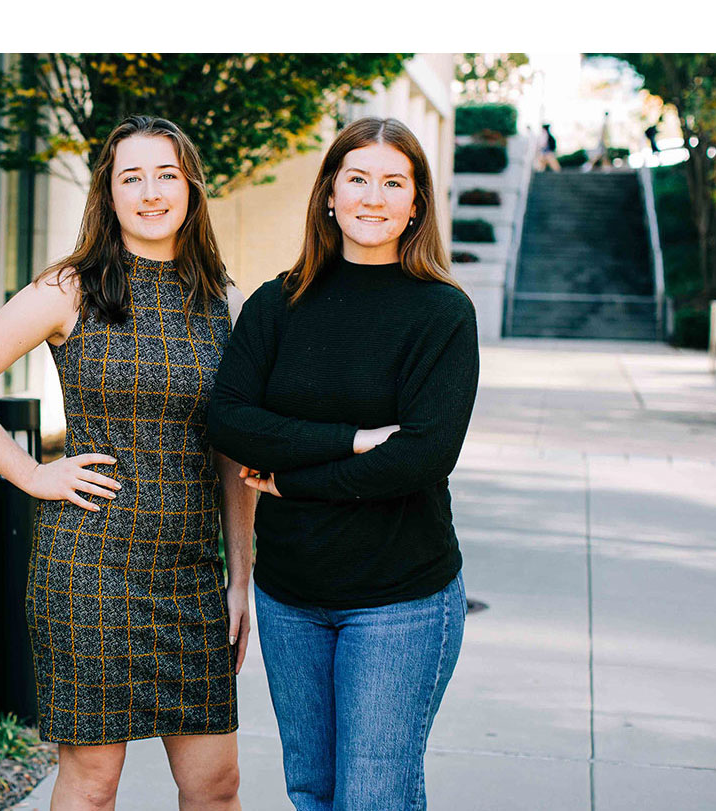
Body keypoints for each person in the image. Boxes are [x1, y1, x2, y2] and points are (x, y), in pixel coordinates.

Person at [0, 115, 254, 810]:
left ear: (191, 187)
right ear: (108, 194)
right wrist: (32, 472)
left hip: (192, 578)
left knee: (216, 785)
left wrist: (239, 580)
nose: (150, 191)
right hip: (92, 570)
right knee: (93, 782)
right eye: (130, 177)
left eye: (166, 174)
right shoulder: (69, 288)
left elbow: (232, 454)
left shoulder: (223, 302)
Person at [206, 116, 479, 811]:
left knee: (374, 798)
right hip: (291, 597)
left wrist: (291, 476)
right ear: (330, 192)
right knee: (315, 790)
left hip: (401, 599)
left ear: (416, 203)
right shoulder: (278, 301)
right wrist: (351, 438)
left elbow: (418, 458)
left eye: (394, 182)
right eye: (357, 178)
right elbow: (229, 418)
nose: (372, 196)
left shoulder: (442, 314)